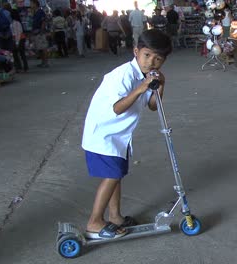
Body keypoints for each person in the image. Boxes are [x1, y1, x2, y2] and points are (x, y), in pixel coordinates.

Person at [81, 29, 172, 240]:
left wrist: (160, 87)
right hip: (103, 135)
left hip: (119, 136)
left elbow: (152, 106)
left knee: (116, 175)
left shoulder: (147, 76)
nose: (151, 62)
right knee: (112, 175)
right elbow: (117, 108)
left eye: (158, 59)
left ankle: (115, 217)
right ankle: (94, 222)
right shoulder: (122, 75)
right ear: (136, 51)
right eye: (147, 55)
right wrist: (141, 88)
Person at [30, 0, 49, 67]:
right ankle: (43, 62)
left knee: (43, 47)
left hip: (40, 32)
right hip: (36, 32)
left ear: (35, 4)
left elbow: (44, 21)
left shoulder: (40, 11)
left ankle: (45, 62)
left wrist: (41, 30)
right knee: (40, 48)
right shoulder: (35, 12)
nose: (30, 5)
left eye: (31, 3)